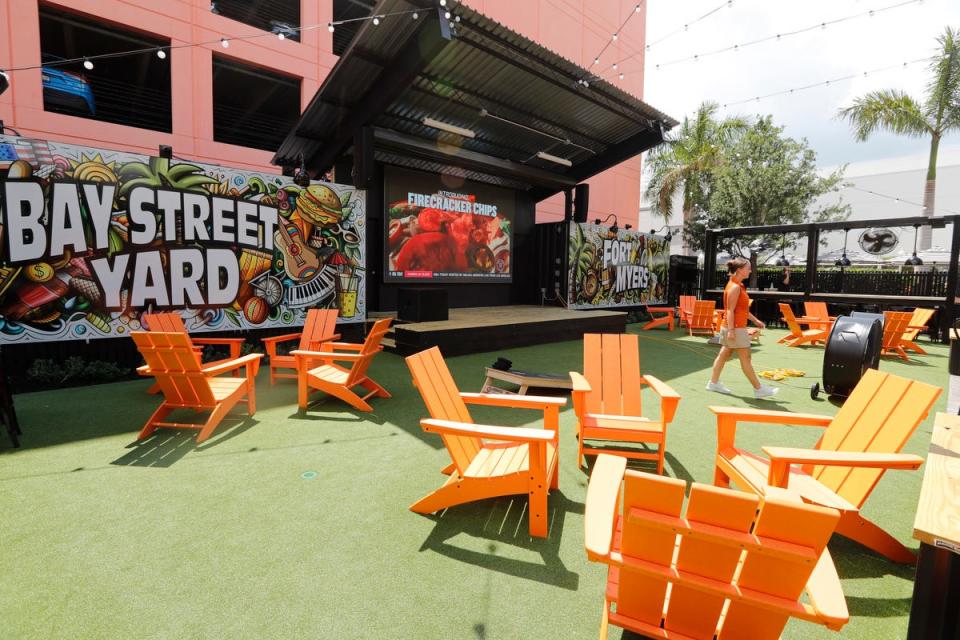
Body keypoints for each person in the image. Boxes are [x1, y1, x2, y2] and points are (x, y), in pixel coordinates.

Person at [706, 257, 779, 398]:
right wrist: (732, 331)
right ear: (739, 270)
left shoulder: (738, 285)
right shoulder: (734, 287)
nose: (750, 271)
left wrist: (756, 320)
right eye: (748, 268)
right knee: (746, 358)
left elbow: (742, 310)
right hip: (735, 328)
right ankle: (759, 389)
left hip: (732, 327)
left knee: (723, 355)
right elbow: (729, 311)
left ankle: (713, 383)